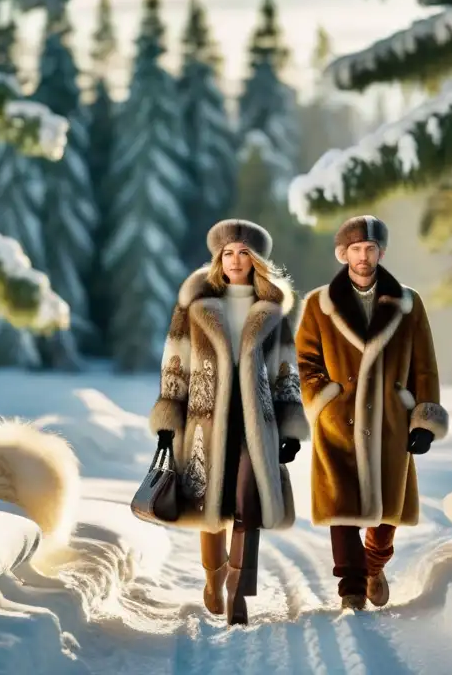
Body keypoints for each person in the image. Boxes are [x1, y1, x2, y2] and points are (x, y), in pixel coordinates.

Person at [147, 219, 309, 626]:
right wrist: (168, 416)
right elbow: (175, 362)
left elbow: (285, 371)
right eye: (228, 253)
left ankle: (238, 593)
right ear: (218, 257)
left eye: (243, 253)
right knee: (209, 503)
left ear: (257, 260)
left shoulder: (272, 310)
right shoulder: (195, 304)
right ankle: (213, 576)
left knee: (246, 505)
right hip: (204, 419)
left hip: (258, 420)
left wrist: (290, 425)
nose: (235, 261)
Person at [295, 215, 449, 611]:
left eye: (370, 249)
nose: (363, 257)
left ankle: (374, 565)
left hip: (390, 420)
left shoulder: (409, 303)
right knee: (340, 503)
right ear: (342, 253)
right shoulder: (318, 304)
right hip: (338, 419)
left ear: (381, 252)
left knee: (387, 510)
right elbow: (306, 360)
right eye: (355, 249)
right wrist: (322, 399)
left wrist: (424, 420)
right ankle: (350, 587)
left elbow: (425, 365)